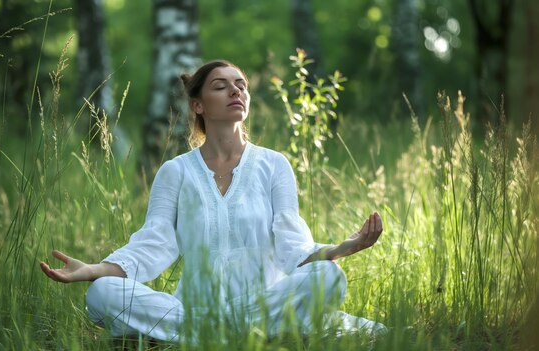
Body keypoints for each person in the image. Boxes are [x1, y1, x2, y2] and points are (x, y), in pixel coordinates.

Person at [40, 60, 385, 342]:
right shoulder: (175, 172)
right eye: (221, 86)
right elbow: (153, 243)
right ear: (198, 105)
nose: (236, 90)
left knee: (329, 277)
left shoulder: (273, 164)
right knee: (102, 294)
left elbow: (292, 246)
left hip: (266, 304)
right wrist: (92, 271)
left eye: (241, 85)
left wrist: (342, 248)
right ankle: (247, 335)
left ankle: (203, 337)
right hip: (193, 309)